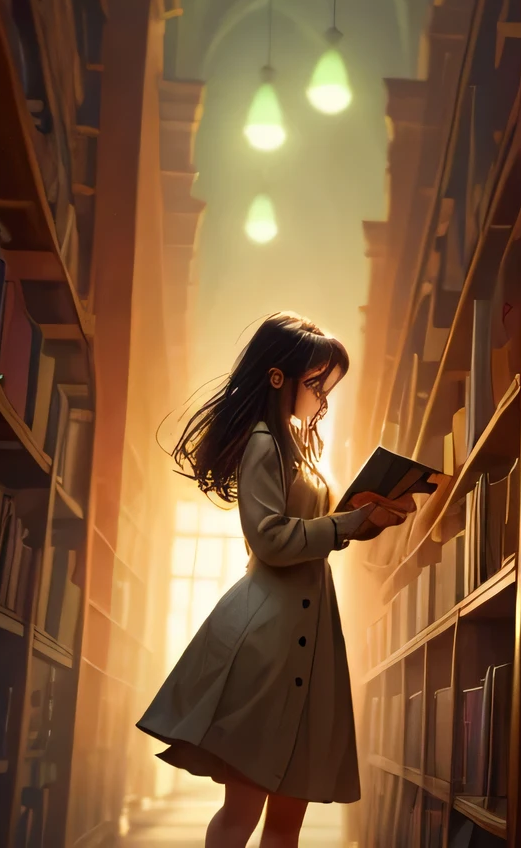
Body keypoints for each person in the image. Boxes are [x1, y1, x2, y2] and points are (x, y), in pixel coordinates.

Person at [138, 311, 416, 848]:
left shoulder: (302, 448)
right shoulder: (265, 442)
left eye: (329, 388)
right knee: (243, 811)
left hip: (311, 647)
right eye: (317, 384)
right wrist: (350, 521)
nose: (324, 399)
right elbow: (269, 537)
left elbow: (318, 529)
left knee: (288, 820)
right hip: (267, 641)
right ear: (278, 377)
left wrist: (367, 516)